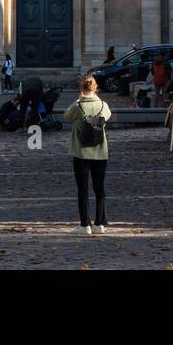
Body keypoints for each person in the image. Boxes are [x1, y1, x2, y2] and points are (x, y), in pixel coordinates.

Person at [64, 75, 112, 235]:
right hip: (100, 152)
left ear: (81, 88)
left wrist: (79, 99)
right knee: (100, 188)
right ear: (96, 87)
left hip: (81, 153)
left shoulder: (78, 106)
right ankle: (100, 224)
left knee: (83, 189)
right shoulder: (103, 105)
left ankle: (85, 224)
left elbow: (66, 117)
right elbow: (108, 116)